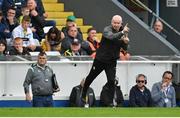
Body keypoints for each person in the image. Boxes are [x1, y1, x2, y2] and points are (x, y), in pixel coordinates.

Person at [81, 15, 129, 105]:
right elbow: (112, 37)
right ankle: (83, 93)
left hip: (111, 61)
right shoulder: (107, 29)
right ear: (111, 22)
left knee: (111, 81)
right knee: (91, 77)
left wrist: (126, 43)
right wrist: (122, 32)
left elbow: (125, 48)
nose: (116, 25)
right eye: (114, 22)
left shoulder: (123, 32)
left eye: (118, 23)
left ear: (121, 23)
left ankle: (110, 102)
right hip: (100, 59)